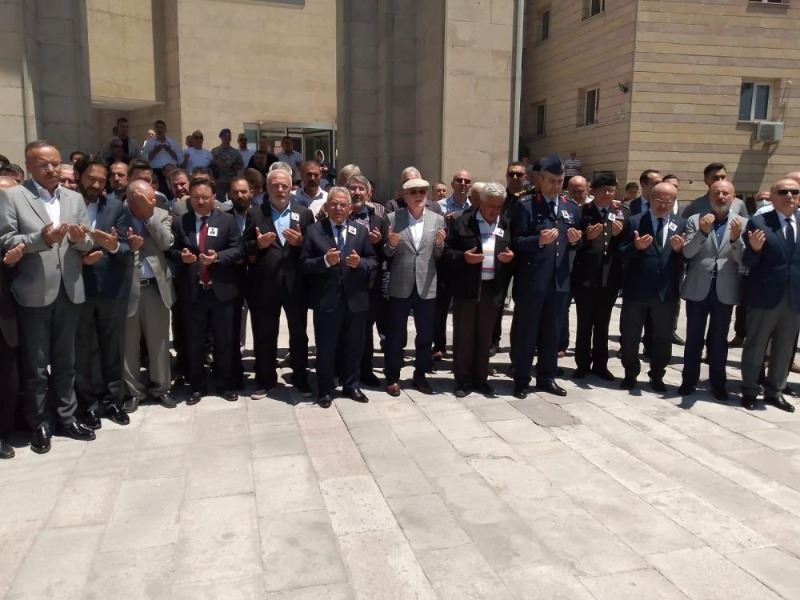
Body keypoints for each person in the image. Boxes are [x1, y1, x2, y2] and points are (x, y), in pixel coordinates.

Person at [0, 141, 97, 454]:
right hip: (33, 293)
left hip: (70, 290)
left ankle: (67, 417)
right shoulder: (13, 196)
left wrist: (81, 241)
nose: (53, 169)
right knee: (37, 366)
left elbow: (87, 242)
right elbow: (6, 240)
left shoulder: (73, 197)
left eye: (56, 163)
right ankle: (39, 422)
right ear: (29, 166)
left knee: (67, 361)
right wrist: (40, 238)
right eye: (44, 164)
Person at [510, 154, 582, 398]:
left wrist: (576, 242)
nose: (556, 185)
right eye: (551, 180)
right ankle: (521, 379)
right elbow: (516, 241)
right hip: (532, 282)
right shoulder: (525, 205)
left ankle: (547, 377)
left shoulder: (571, 207)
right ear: (540, 180)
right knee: (527, 332)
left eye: (560, 181)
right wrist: (538, 241)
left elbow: (575, 245)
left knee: (552, 333)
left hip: (559, 281)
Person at [168, 178, 244, 404]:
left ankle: (225, 384)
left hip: (221, 291)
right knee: (194, 341)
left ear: (214, 198)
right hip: (193, 293)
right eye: (196, 198)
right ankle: (196, 386)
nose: (200, 201)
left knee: (224, 340)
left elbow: (238, 249)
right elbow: (171, 250)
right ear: (189, 199)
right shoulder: (181, 221)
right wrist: (181, 256)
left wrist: (218, 257)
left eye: (205, 197)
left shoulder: (226, 220)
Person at [301, 187, 377, 407]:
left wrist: (360, 263)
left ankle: (351, 385)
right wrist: (324, 261)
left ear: (350, 208)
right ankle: (325, 389)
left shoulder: (359, 231)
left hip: (355, 300)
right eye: (334, 204)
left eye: (343, 205)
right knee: (326, 347)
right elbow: (304, 264)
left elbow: (373, 261)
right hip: (327, 300)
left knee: (354, 345)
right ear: (326, 207)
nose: (338, 208)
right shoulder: (315, 230)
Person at [243, 168, 314, 399]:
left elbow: (313, 248)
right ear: (267, 188)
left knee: (299, 334)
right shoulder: (255, 213)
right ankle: (265, 381)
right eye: (275, 185)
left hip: (295, 284)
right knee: (265, 333)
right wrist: (258, 245)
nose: (280, 189)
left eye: (284, 185)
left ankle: (300, 379)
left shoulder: (304, 213)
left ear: (291, 187)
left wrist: (301, 242)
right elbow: (244, 247)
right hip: (265, 285)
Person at [73, 158, 132, 429]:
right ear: (79, 176)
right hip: (78, 288)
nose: (96, 184)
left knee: (112, 348)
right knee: (83, 350)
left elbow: (126, 248)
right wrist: (81, 260)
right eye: (91, 178)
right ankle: (87, 404)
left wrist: (112, 246)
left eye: (101, 180)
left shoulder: (116, 207)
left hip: (110, 289)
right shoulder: (67, 204)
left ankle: (112, 401)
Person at [443, 182, 514, 397]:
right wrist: (463, 257)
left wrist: (511, 258)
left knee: (485, 337)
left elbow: (513, 250)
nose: (494, 210)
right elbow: (446, 253)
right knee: (464, 336)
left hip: (492, 288)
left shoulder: (506, 223)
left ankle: (481, 379)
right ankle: (463, 381)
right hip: (467, 288)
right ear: (480, 202)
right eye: (490, 205)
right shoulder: (462, 222)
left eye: (498, 206)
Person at [679, 179, 746, 401]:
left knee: (719, 340)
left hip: (724, 289)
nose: (721, 197)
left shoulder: (742, 223)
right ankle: (689, 380)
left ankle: (718, 383)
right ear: (709, 196)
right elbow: (687, 252)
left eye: (726, 193)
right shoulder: (695, 220)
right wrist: (702, 232)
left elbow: (744, 259)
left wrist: (735, 239)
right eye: (716, 193)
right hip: (698, 287)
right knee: (693, 337)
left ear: (733, 197)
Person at [618, 182, 687, 392]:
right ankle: (630, 373)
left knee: (663, 338)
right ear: (650, 199)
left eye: (669, 201)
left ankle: (657, 375)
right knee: (630, 336)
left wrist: (680, 251)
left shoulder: (681, 224)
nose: (664, 205)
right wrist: (635, 247)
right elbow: (619, 253)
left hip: (665, 293)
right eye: (659, 200)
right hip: (636, 291)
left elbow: (687, 259)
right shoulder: (635, 221)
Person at [739, 179, 800, 413]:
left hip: (794, 298)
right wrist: (754, 250)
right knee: (756, 346)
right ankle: (750, 390)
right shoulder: (759, 222)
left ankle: (775, 391)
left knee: (784, 348)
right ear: (772, 197)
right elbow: (747, 262)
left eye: (794, 192)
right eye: (783, 192)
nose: (789, 196)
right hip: (765, 296)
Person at [383, 178, 446, 396]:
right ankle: (392, 377)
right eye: (413, 192)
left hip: (426, 285)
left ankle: (420, 375)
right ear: (405, 196)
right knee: (395, 335)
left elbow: (439, 255)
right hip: (400, 284)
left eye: (422, 191)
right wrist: (391, 244)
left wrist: (439, 244)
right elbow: (387, 252)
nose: (418, 195)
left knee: (425, 335)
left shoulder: (437, 220)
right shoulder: (393, 218)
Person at [122, 180, 176, 412]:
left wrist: (148, 216)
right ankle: (133, 392)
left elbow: (166, 242)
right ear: (132, 199)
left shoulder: (161, 215)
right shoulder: (118, 215)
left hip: (155, 287)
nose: (153, 201)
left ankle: (161, 388)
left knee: (159, 342)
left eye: (153, 198)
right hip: (127, 289)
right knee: (128, 344)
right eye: (147, 199)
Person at [571, 173, 628, 381]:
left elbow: (627, 246)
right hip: (585, 277)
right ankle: (582, 364)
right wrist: (587, 238)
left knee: (603, 324)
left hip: (609, 278)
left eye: (611, 190)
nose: (608, 194)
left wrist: (620, 235)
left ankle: (601, 365)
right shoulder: (581, 211)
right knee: (584, 323)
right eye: (604, 190)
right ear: (593, 191)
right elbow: (572, 245)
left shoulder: (622, 212)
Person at [347, 175, 389, 386]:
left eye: (361, 189)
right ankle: (342, 370)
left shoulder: (379, 221)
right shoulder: (337, 215)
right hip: (344, 282)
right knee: (344, 328)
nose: (357, 193)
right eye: (352, 188)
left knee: (365, 329)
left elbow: (388, 254)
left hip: (370, 284)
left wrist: (379, 242)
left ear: (368, 193)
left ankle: (365, 370)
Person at [433, 169, 473, 360]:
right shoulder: (438, 206)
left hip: (465, 263)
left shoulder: (473, 207)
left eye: (466, 181)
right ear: (452, 184)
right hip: (444, 261)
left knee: (462, 310)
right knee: (440, 308)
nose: (463, 183)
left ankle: (461, 346)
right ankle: (439, 345)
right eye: (459, 180)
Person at [0, 176, 23, 459]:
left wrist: (10, 263)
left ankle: (5, 429)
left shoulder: (12, 229)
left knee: (9, 378)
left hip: (7, 312)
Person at [228, 176, 253, 389]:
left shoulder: (261, 215)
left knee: (263, 327)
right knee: (234, 327)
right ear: (229, 195)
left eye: (243, 191)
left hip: (259, 279)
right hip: (232, 280)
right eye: (236, 192)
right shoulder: (223, 218)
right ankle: (235, 370)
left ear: (251, 193)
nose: (240, 196)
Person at [682, 163, 749, 220]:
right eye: (715, 178)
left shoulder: (738, 204)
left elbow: (746, 227)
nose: (720, 180)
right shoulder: (695, 205)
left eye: (723, 177)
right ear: (706, 180)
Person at [142, 119, 181, 194]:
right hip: (156, 172)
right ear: (155, 130)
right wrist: (155, 151)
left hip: (170, 171)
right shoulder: (149, 143)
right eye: (157, 127)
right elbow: (144, 159)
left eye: (161, 127)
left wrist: (170, 150)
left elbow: (179, 159)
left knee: (173, 192)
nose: (159, 129)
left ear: (165, 130)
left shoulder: (172, 142)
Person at [211, 128, 244, 202]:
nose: (227, 138)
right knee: (219, 203)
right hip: (219, 183)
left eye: (229, 136)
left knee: (233, 202)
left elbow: (240, 169)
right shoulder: (214, 152)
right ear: (221, 137)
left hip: (231, 183)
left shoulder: (236, 153)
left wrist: (238, 182)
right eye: (225, 136)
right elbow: (211, 168)